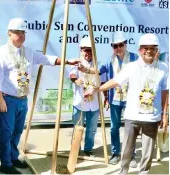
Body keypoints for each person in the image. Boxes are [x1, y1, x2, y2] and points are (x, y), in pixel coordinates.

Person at [0, 18, 79, 174]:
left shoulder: (29, 52)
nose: (22, 36)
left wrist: (67, 61)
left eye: (23, 32)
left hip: (22, 99)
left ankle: (13, 158)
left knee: (17, 131)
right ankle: (5, 164)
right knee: (6, 132)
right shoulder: (1, 52)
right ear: (9, 33)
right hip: (8, 100)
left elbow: (46, 59)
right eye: (18, 32)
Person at [85, 33, 169, 174]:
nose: (148, 51)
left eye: (152, 48)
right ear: (139, 50)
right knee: (126, 150)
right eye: (145, 48)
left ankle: (143, 172)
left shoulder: (164, 68)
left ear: (157, 50)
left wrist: (165, 114)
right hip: (132, 116)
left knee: (148, 153)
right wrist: (97, 89)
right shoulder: (131, 66)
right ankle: (123, 171)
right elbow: (115, 81)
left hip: (152, 118)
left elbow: (165, 91)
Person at [78, 31, 138, 166]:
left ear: (126, 44)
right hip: (115, 98)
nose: (118, 48)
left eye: (120, 45)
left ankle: (131, 155)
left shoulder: (135, 58)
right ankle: (116, 153)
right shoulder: (109, 59)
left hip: (131, 99)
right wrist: (86, 70)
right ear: (112, 47)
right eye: (115, 46)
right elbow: (98, 70)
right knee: (114, 128)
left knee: (131, 128)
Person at [69, 37, 99, 156]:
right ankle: (75, 149)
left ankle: (88, 149)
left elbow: (102, 81)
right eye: (85, 50)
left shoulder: (98, 64)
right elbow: (72, 74)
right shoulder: (77, 62)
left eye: (90, 50)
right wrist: (75, 80)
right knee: (77, 128)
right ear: (81, 50)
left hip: (94, 103)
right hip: (80, 103)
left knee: (91, 129)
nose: (88, 53)